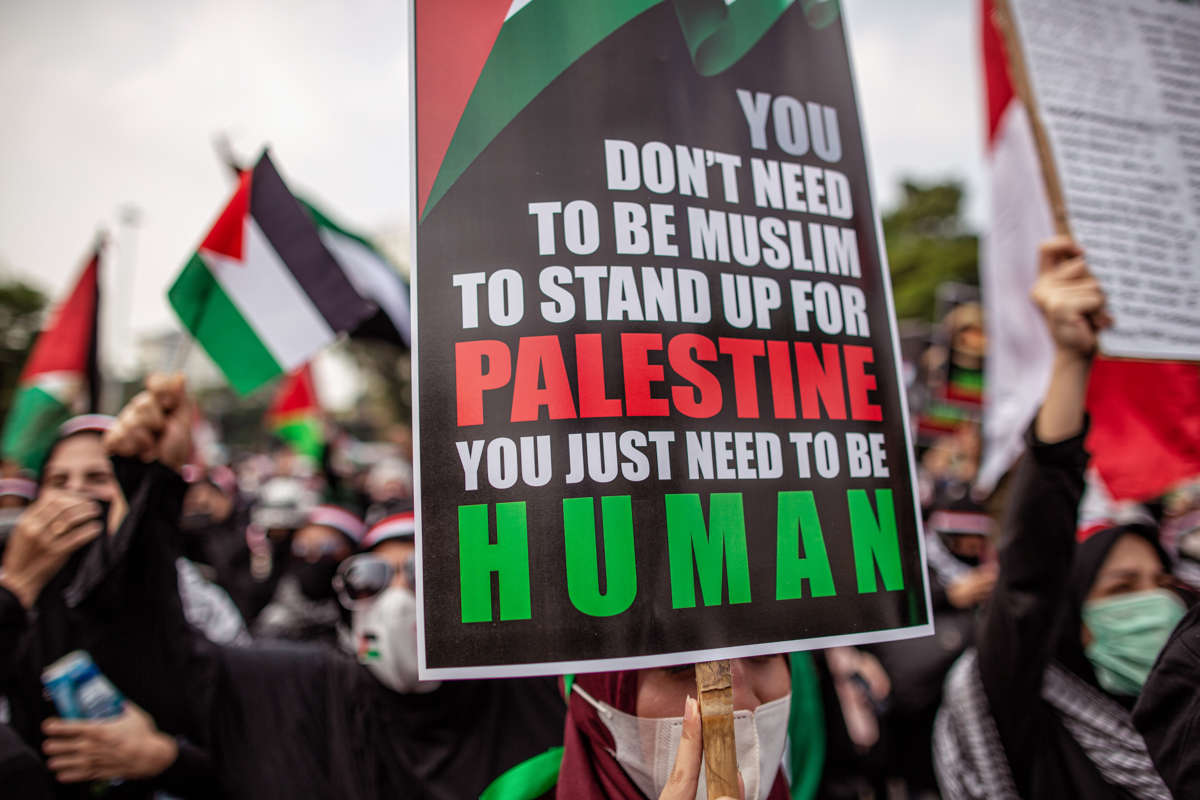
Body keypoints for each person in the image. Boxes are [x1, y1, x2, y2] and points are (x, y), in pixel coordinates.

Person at [63, 379, 567, 799]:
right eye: (369, 579)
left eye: (423, 576)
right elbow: (150, 648)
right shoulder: (299, 691)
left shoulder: (547, 694)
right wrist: (151, 485)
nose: (397, 601)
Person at [933, 237, 1184, 799]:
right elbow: (1029, 575)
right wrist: (1070, 363)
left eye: (1161, 583)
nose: (1155, 603)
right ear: (1072, 614)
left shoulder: (1184, 725)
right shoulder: (1031, 711)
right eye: (1121, 587)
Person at [0, 399, 221, 797]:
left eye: (97, 477)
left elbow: (248, 738)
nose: (77, 494)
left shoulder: (189, 592)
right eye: (59, 481)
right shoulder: (18, 592)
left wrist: (164, 758)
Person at [254, 503, 364, 646]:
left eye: (326, 547)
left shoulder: (361, 609)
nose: (312, 557)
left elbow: (372, 656)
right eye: (302, 546)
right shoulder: (274, 610)